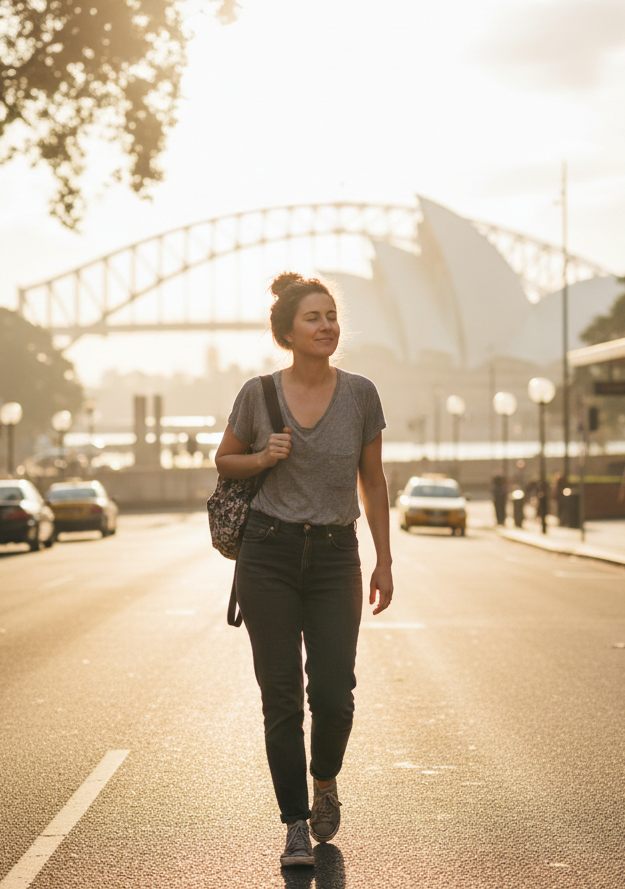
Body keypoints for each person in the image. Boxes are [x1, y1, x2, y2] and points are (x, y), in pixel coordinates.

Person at [215, 272, 392, 869]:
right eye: (314, 318)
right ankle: (294, 822)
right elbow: (225, 460)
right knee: (283, 697)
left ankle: (324, 781)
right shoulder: (258, 393)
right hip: (268, 551)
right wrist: (263, 455)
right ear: (287, 331)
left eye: (332, 315)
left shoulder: (362, 394)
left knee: (335, 693)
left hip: (337, 554)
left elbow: (373, 482)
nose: (327, 326)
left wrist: (384, 559)